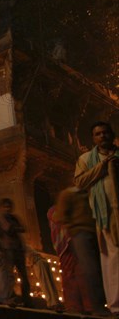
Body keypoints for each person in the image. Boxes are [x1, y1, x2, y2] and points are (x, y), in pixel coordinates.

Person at [74, 121, 119, 314]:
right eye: (98, 134)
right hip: (104, 215)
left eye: (105, 133)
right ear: (93, 138)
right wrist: (102, 167)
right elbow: (79, 181)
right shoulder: (85, 159)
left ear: (112, 134)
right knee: (112, 259)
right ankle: (116, 305)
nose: (102, 136)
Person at [53, 187, 110, 315]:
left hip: (94, 232)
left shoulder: (89, 193)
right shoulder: (68, 193)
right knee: (90, 269)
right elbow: (60, 216)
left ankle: (97, 305)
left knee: (98, 269)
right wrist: (72, 227)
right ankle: (96, 307)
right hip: (79, 234)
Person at [0, 198, 32, 307]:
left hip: (18, 249)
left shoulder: (15, 218)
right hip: (6, 249)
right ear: (1, 207)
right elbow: (8, 229)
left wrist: (16, 228)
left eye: (9, 206)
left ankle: (27, 299)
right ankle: (7, 298)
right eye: (5, 206)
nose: (7, 209)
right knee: (8, 275)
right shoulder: (0, 218)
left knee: (24, 276)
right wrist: (16, 228)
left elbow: (24, 228)